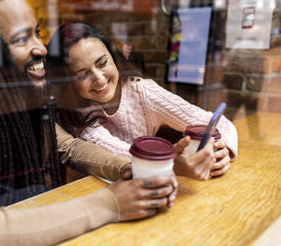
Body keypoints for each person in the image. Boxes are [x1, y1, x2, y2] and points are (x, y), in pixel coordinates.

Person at [0, 0, 177, 245]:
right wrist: (111, 204)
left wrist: (124, 168)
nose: (41, 48)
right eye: (22, 38)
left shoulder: (18, 101)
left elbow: (68, 146)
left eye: (37, 32)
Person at [47, 22, 238, 181]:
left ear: (114, 57)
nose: (99, 78)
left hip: (144, 186)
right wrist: (171, 162)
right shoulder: (75, 112)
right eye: (82, 75)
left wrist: (223, 151)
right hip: (93, 194)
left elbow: (218, 122)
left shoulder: (141, 91)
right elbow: (123, 155)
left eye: (102, 63)